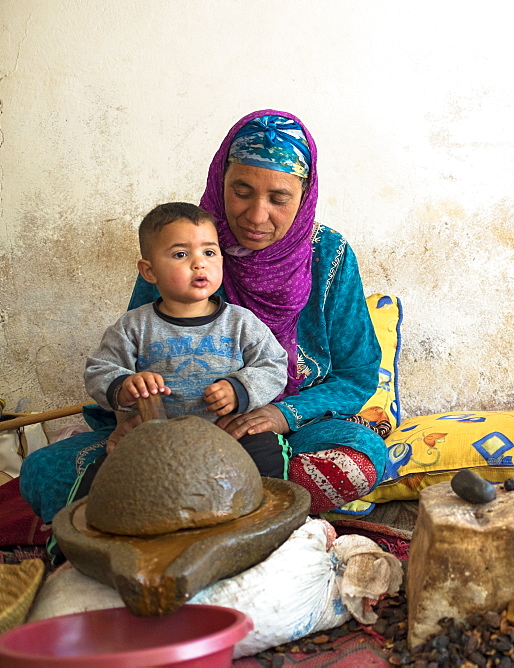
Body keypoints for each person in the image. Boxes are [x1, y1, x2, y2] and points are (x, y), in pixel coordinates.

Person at [21, 110, 386, 523]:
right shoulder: (184, 244)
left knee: (361, 456)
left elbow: (356, 372)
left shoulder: (329, 255)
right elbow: (128, 357)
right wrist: (130, 418)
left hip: (287, 431)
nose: (256, 215)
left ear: (304, 196)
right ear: (220, 180)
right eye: (242, 191)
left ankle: (197, 510)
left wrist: (279, 415)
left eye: (279, 198)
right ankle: (223, 509)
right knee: (42, 472)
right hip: (167, 429)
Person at [75, 201, 290, 499]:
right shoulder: (134, 326)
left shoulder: (240, 322)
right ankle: (77, 542)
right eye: (180, 254)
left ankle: (269, 523)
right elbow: (100, 370)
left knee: (267, 452)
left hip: (226, 433)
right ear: (149, 271)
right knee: (103, 479)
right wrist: (124, 386)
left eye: (209, 252)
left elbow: (274, 365)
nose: (199, 263)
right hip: (157, 439)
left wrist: (239, 389)